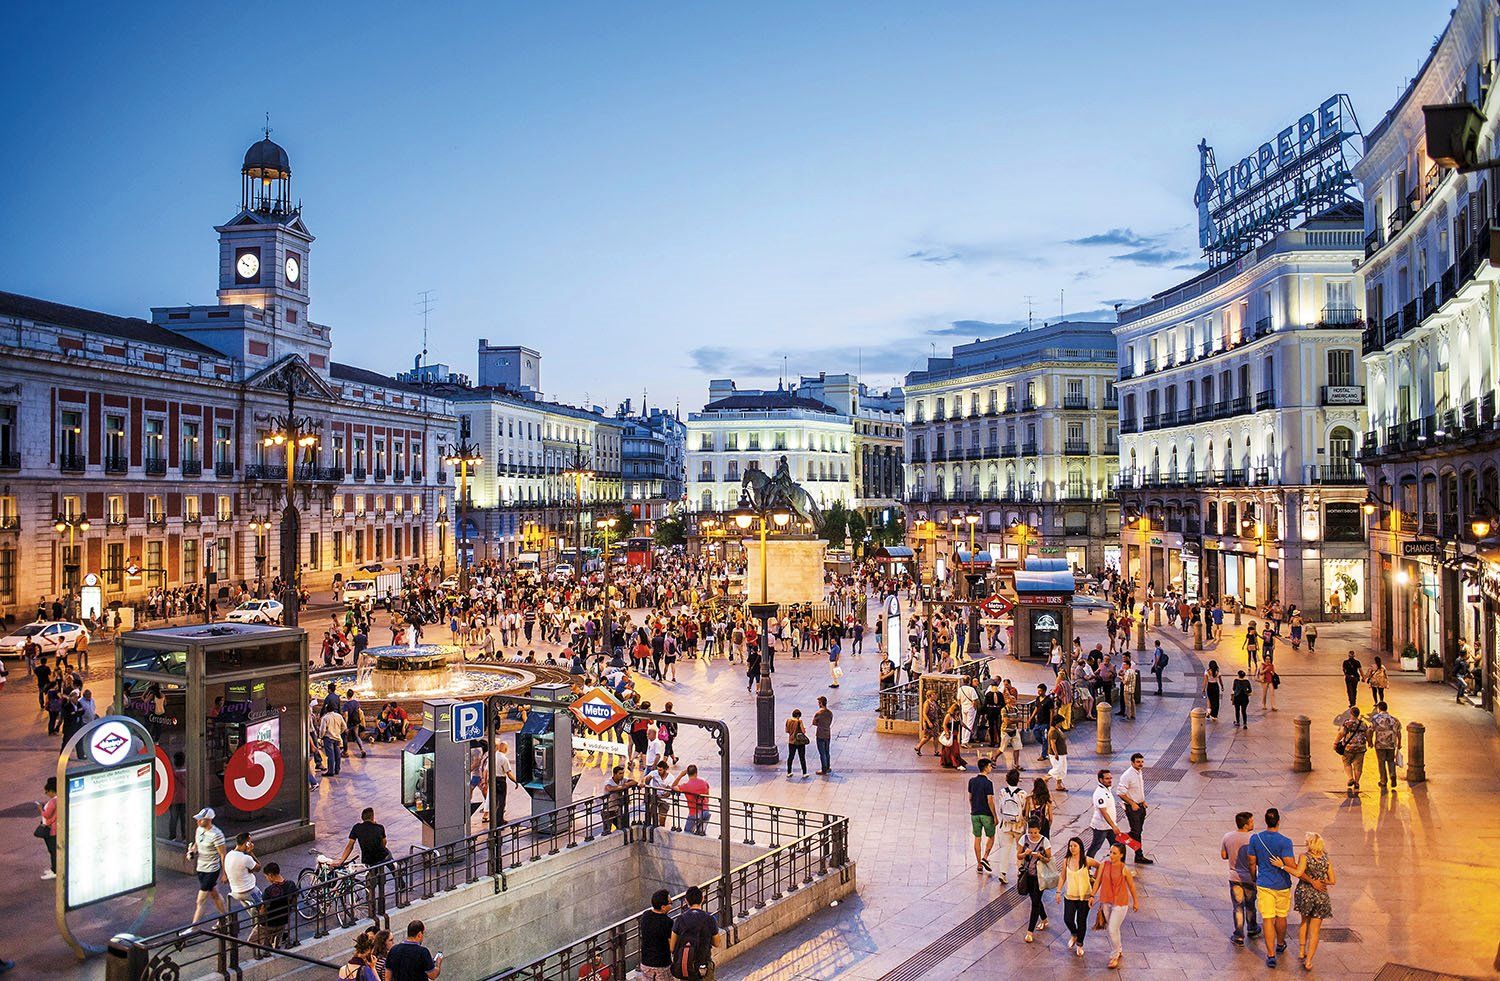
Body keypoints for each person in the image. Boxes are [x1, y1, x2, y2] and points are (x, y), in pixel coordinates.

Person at [1247, 807, 1296, 968]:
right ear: (1279, 821)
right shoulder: (1285, 842)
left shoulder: (1255, 839)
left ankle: (1270, 955)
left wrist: (1254, 877)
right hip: (1282, 884)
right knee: (1281, 916)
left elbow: (1252, 862)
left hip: (1264, 884)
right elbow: (1291, 865)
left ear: (1266, 821)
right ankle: (1280, 944)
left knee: (1268, 918)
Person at [1089, 842, 1139, 969]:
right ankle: (1119, 948)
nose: (1111, 855)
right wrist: (1092, 895)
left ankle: (1114, 956)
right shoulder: (1104, 865)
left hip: (1120, 903)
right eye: (1110, 852)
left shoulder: (1124, 869)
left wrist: (1136, 902)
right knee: (1113, 929)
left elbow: (1132, 886)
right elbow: (1098, 881)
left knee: (1112, 929)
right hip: (1106, 900)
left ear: (1121, 855)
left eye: (1114, 853)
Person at [1292, 832, 1335, 972]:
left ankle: (1301, 950)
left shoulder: (1304, 857)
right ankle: (1309, 960)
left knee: (1304, 922)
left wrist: (1283, 866)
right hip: (1321, 896)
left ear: (1309, 843)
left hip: (1306, 894)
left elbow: (1298, 873)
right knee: (1315, 931)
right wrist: (1322, 881)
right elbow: (1333, 880)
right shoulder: (1326, 858)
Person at [1222, 811, 1261, 947]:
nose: (1253, 823)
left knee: (1238, 907)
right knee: (1250, 905)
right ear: (1245, 824)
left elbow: (1224, 855)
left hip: (1234, 877)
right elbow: (1256, 860)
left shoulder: (1227, 836)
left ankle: (1238, 935)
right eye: (1251, 821)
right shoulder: (1254, 838)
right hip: (1249, 878)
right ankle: (1252, 928)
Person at [1057, 836, 1097, 957]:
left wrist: (1095, 881)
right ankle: (1074, 934)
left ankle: (1080, 944)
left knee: (1081, 920)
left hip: (1084, 896)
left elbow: (1100, 866)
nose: (1072, 848)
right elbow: (1063, 876)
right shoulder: (1066, 860)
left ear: (1080, 847)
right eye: (1070, 846)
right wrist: (1058, 891)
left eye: (1075, 846)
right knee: (1068, 919)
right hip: (1070, 895)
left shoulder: (1086, 860)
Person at [670, 885, 721, 980]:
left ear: (686, 901)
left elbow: (672, 947)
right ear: (702, 899)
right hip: (703, 966)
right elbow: (717, 943)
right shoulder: (710, 919)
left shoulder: (680, 919)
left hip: (685, 966)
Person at [188, 807, 228, 925]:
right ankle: (225, 917)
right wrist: (192, 851)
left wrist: (225, 873)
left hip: (212, 870)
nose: (198, 821)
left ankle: (193, 927)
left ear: (209, 819)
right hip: (201, 868)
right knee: (215, 894)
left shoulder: (217, 834)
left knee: (200, 900)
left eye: (201, 819)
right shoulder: (199, 830)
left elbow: (223, 854)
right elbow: (196, 844)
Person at [1017, 817, 1053, 943]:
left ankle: (1029, 932)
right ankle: (1044, 919)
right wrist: (1025, 853)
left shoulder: (1045, 841)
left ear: (1039, 830)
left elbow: (1049, 859)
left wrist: (1040, 856)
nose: (1033, 835)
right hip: (1028, 875)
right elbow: (1018, 855)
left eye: (1035, 832)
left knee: (1035, 902)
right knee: (1034, 899)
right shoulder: (1024, 838)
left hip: (1040, 876)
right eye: (1031, 832)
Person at [1116, 753, 1153, 864]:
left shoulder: (1139, 772)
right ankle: (1120, 840)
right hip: (1133, 808)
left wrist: (1143, 801)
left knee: (1138, 831)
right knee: (1136, 832)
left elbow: (1137, 790)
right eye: (1138, 762)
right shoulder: (1127, 775)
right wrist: (1132, 803)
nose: (1140, 764)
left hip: (1140, 806)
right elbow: (1120, 793)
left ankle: (1137, 854)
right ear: (1132, 763)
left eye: (1142, 762)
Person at [251, 862, 297, 950]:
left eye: (266, 877)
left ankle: (267, 946)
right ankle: (273, 942)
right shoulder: (291, 884)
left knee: (251, 941)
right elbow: (294, 902)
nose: (267, 879)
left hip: (269, 923)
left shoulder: (268, 891)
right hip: (284, 919)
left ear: (270, 875)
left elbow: (263, 910)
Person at [224, 832, 262, 927]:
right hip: (249, 891)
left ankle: (255, 917)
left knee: (252, 907)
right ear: (246, 843)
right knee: (264, 907)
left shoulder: (229, 855)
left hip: (235, 891)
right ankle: (259, 927)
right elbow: (258, 867)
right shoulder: (246, 858)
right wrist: (250, 852)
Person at [967, 757, 998, 873]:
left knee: (977, 838)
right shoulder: (988, 783)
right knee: (991, 836)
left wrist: (973, 808)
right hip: (986, 814)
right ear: (985, 767)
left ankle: (979, 864)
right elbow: (990, 800)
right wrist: (995, 816)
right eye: (990, 766)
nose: (991, 768)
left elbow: (970, 798)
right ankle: (985, 857)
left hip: (975, 813)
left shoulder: (971, 781)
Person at [996, 767, 1026, 884]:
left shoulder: (1003, 792)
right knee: (1020, 850)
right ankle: (1020, 872)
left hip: (1006, 825)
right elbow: (1024, 809)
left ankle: (1002, 872)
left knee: (1005, 848)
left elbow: (1000, 807)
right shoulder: (1022, 793)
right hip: (1018, 825)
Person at [638, 889, 675, 981]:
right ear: (663, 907)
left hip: (645, 963)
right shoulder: (668, 922)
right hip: (662, 965)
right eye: (670, 903)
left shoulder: (645, 916)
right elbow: (671, 947)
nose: (671, 906)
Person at [1335, 704, 1371, 794]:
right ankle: (1357, 782)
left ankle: (1350, 778)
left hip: (1349, 747)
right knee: (1358, 766)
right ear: (1358, 714)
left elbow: (1341, 733)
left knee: (1347, 762)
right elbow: (1367, 734)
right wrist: (1370, 742)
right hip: (1361, 748)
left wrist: (1335, 742)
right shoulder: (1363, 723)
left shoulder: (1347, 723)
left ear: (1351, 714)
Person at [1087, 769, 1122, 859]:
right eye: (1107, 778)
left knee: (1117, 846)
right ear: (1100, 780)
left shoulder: (1107, 789)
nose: (1110, 780)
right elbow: (1103, 812)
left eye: (1110, 778)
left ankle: (1118, 866)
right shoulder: (1099, 793)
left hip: (1109, 826)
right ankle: (1086, 866)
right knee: (1095, 846)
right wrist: (1114, 826)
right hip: (1101, 826)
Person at [1369, 700, 1403, 791]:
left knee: (1381, 762)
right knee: (1391, 760)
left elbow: (1370, 730)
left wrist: (1370, 741)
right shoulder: (1394, 719)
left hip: (1380, 744)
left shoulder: (1375, 718)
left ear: (1379, 708)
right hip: (1391, 744)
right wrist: (1399, 743)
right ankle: (1392, 775)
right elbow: (1399, 732)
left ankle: (1383, 780)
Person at [672, 765, 712, 836]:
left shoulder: (686, 786)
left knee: (687, 834)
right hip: (706, 811)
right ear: (696, 772)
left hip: (694, 813)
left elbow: (673, 787)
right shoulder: (704, 782)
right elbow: (707, 797)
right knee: (701, 834)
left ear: (687, 773)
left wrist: (680, 775)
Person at [37, 777, 58, 879]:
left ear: (51, 791)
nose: (46, 794)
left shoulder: (53, 802)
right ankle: (54, 868)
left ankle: (55, 870)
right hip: (55, 829)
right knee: (53, 851)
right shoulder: (59, 799)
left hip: (51, 830)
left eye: (46, 792)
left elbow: (47, 815)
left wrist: (41, 809)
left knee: (52, 851)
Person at [812, 696, 834, 775]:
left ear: (821, 703)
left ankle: (823, 769)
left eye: (819, 703)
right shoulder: (830, 713)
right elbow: (830, 721)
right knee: (827, 751)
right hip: (827, 734)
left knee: (822, 753)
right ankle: (828, 767)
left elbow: (814, 722)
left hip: (820, 734)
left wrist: (820, 724)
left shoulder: (818, 713)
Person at [785, 709, 809, 778]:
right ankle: (804, 773)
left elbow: (787, 730)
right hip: (799, 742)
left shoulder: (788, 721)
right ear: (798, 715)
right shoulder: (799, 721)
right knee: (802, 757)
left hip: (791, 741)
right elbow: (803, 731)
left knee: (790, 757)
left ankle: (789, 772)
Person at [1046, 718, 1068, 792]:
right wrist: (1056, 753)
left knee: (1062, 769)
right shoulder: (1053, 731)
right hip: (1057, 753)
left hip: (1062, 752)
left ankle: (1059, 785)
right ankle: (1045, 778)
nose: (1061, 724)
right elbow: (1053, 743)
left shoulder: (1058, 729)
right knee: (1057, 768)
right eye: (1060, 722)